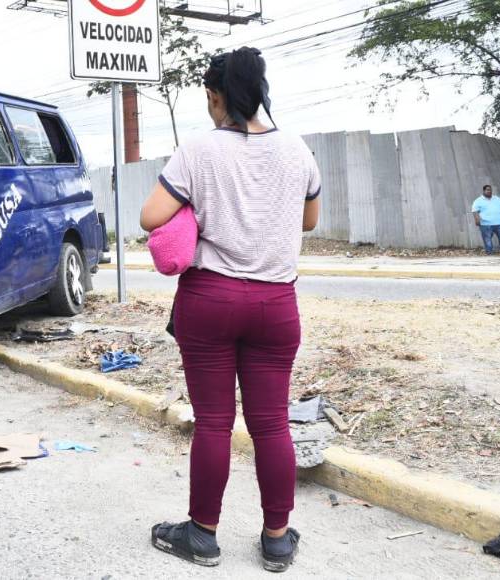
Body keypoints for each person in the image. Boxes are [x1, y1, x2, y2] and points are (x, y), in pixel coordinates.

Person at [139, 47, 320, 573]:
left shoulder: (198, 149)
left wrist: (199, 206)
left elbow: (153, 215)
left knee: (215, 423)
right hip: (275, 305)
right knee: (271, 426)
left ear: (216, 96)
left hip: (210, 300)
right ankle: (278, 539)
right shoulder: (297, 149)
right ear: (260, 93)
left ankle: (202, 534)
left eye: (209, 99)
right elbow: (309, 220)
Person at [472, 185, 500, 255]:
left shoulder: (497, 199)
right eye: (487, 190)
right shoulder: (478, 201)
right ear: (484, 191)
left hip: (499, 223)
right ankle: (489, 253)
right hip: (486, 224)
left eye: (490, 190)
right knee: (487, 240)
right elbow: (475, 211)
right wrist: (477, 219)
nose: (489, 191)